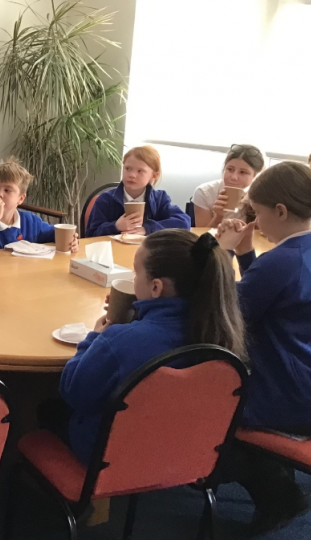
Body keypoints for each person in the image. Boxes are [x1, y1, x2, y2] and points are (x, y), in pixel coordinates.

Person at [54, 229, 245, 466]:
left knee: (47, 410)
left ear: (156, 287)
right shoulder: (221, 330)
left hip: (113, 457)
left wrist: (93, 337)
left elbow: (74, 391)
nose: (133, 279)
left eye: (136, 272)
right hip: (185, 453)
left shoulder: (119, 341)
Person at [216, 161, 311, 533]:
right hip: (303, 381)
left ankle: (278, 494)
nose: (256, 222)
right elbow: (272, 302)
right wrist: (245, 254)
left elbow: (224, 313)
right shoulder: (296, 256)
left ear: (282, 212)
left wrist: (222, 251)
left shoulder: (281, 262)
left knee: (201, 403)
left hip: (283, 395)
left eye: (258, 213)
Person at [0, 159, 79, 255]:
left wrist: (72, 240)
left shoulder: (31, 222)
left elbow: (53, 233)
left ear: (21, 199)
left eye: (7, 190)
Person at [85, 146, 190, 238]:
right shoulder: (106, 199)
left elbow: (184, 222)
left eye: (140, 171)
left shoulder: (160, 198)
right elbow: (91, 234)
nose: (132, 175)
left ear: (154, 176)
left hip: (148, 254)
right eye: (128, 169)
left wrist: (147, 228)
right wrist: (115, 226)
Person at [192, 144, 265, 228]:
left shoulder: (261, 195)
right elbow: (202, 237)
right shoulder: (205, 192)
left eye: (243, 172)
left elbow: (263, 236)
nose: (234, 177)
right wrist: (218, 217)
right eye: (230, 169)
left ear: (255, 175)